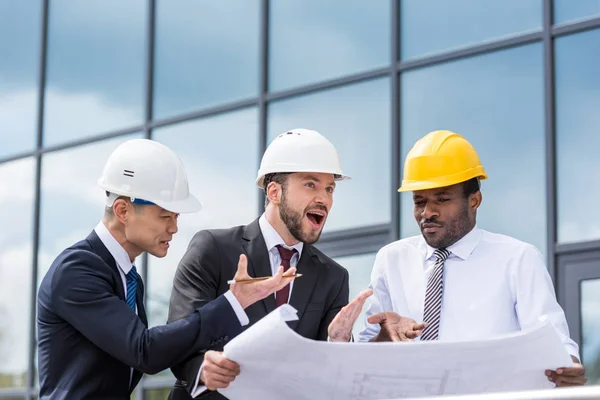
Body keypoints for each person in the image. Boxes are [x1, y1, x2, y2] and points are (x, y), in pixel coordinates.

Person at [37, 139, 295, 400]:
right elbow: (144, 351)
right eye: (165, 216)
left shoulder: (128, 278)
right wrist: (233, 301)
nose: (173, 228)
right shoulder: (76, 270)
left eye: (176, 217)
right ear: (123, 210)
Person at [357, 130, 587, 387]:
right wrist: (384, 337)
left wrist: (566, 364)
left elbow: (552, 340)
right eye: (419, 201)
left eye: (442, 199)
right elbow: (367, 351)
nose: (427, 212)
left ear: (474, 200)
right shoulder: (391, 261)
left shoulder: (518, 259)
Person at [167, 128, 375, 400]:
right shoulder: (213, 249)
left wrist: (339, 342)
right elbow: (178, 338)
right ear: (274, 192)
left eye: (329, 188)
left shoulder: (333, 277)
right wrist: (203, 370)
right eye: (310, 185)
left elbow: (329, 375)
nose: (324, 199)